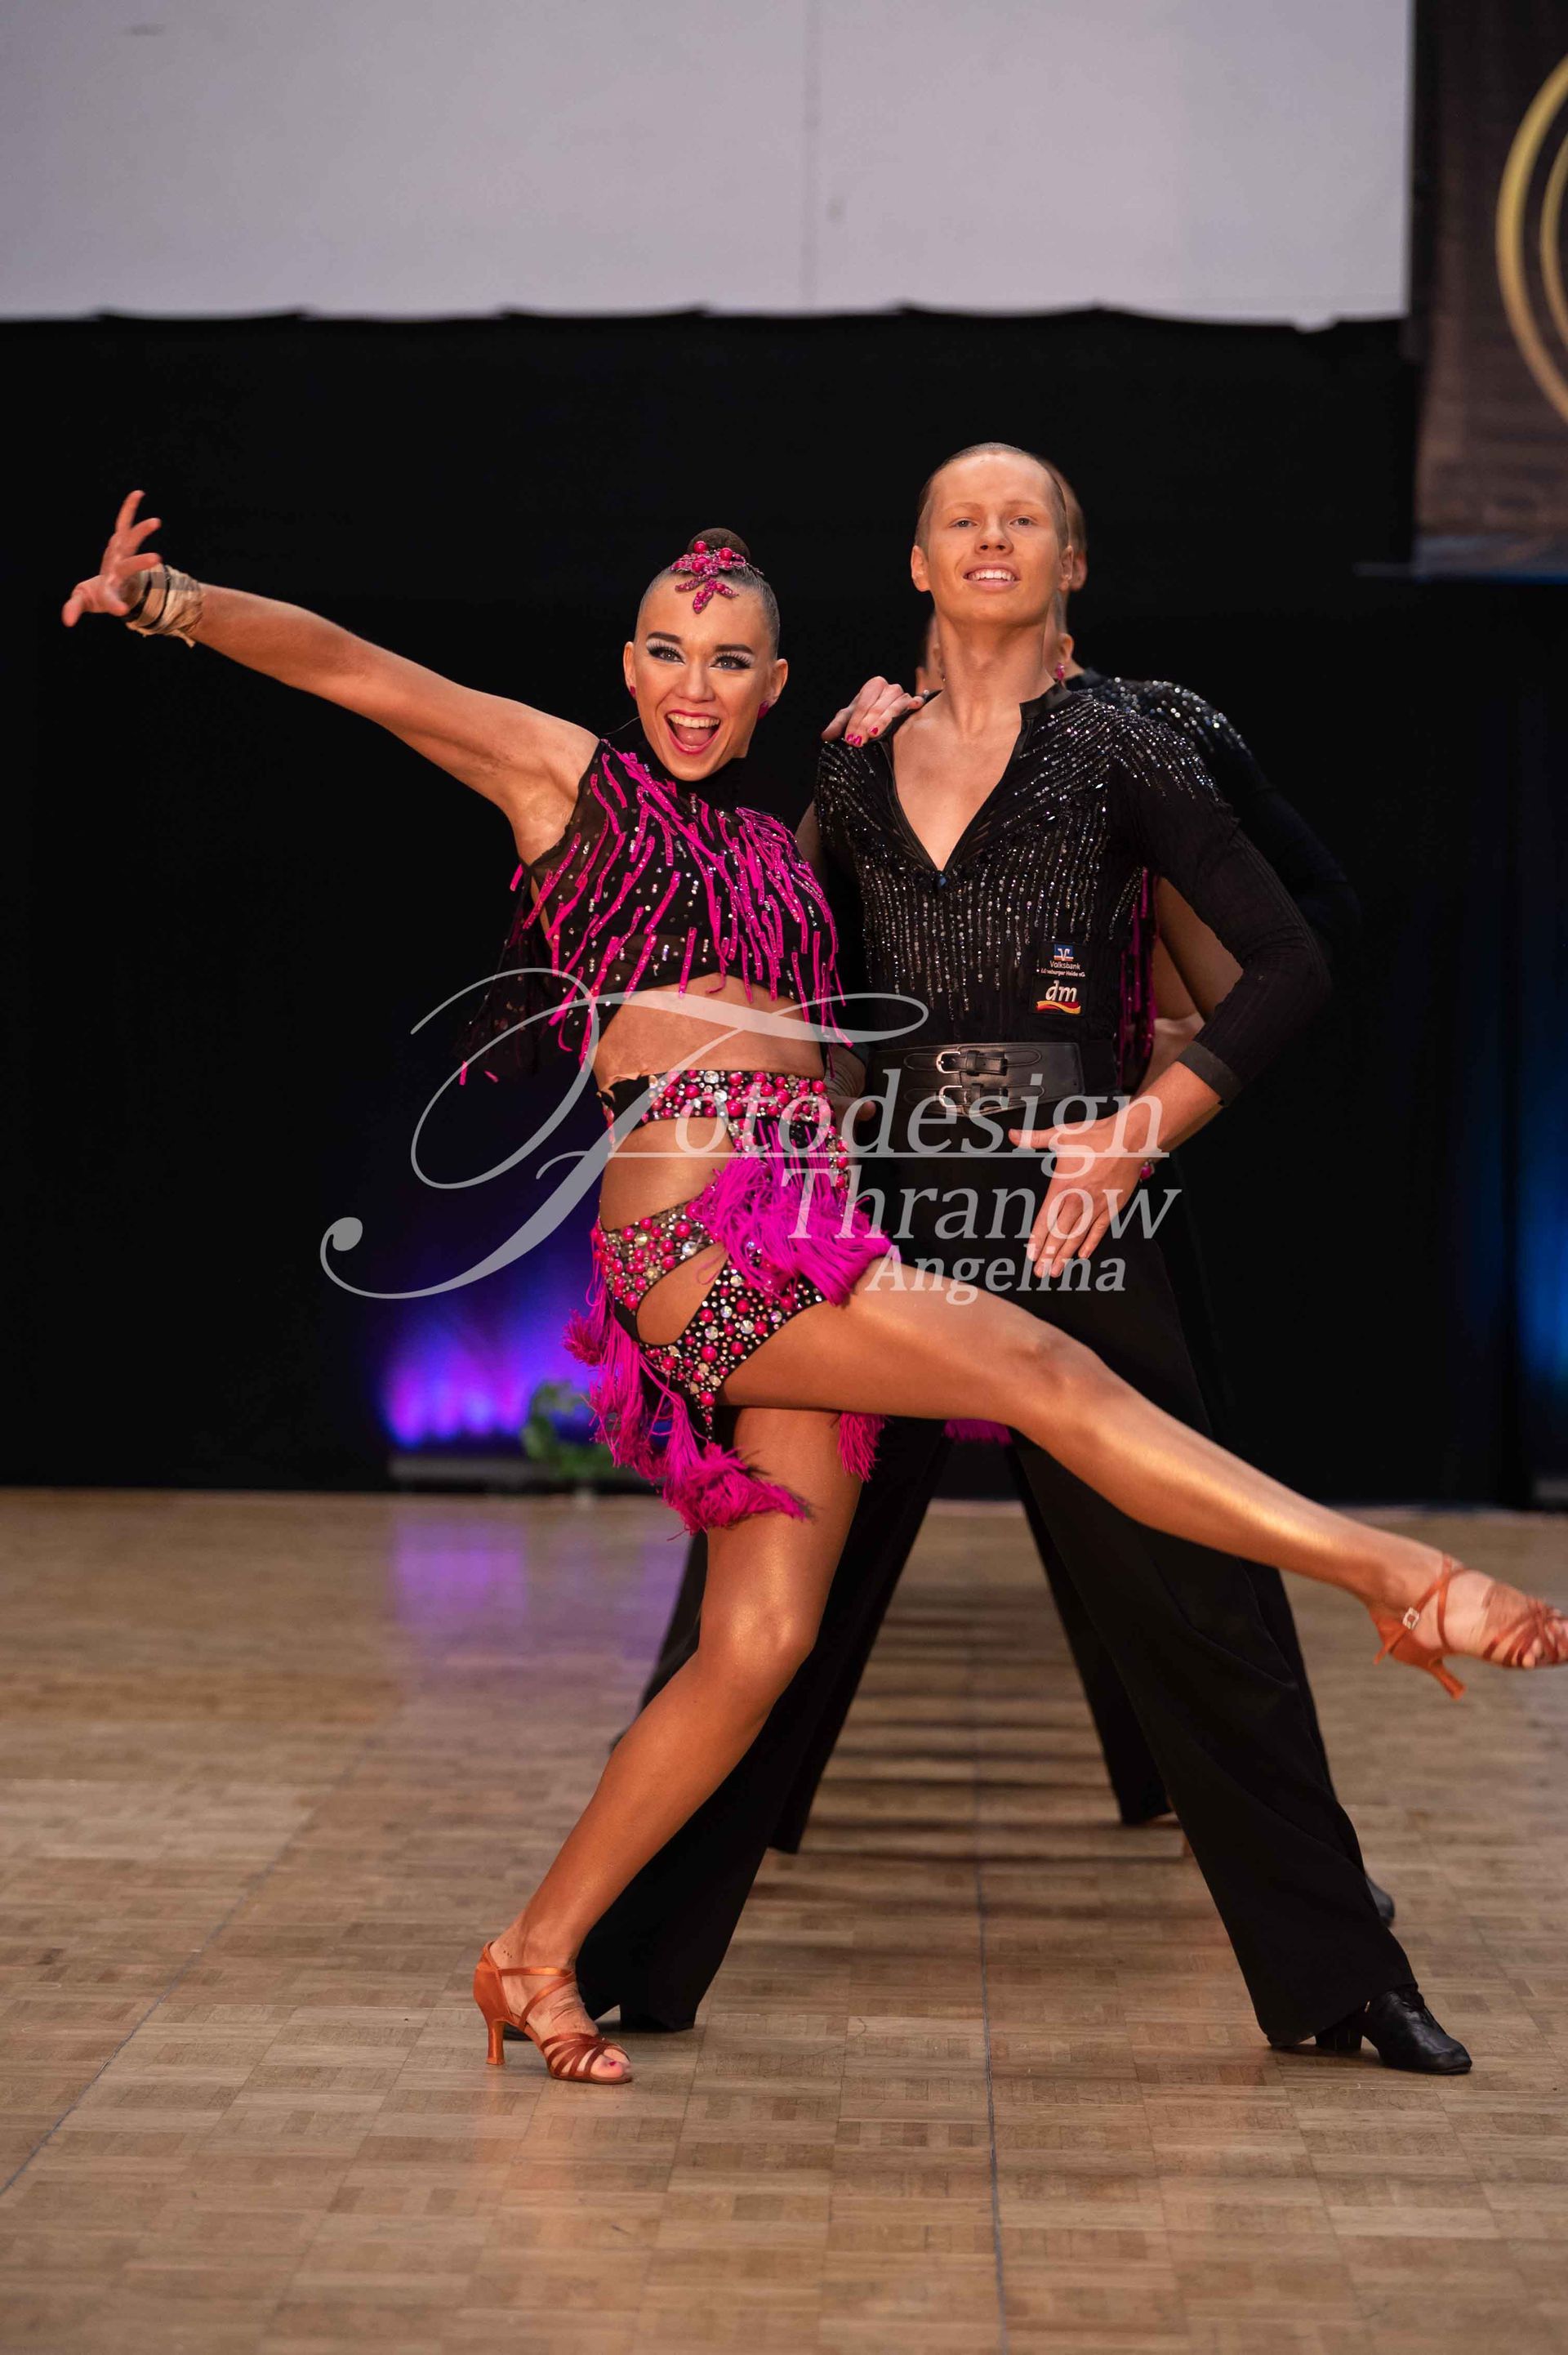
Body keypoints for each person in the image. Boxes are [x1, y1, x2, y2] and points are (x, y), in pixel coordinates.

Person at [62, 488, 1566, 2090]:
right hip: (698, 1254)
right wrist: (175, 602)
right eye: (666, 651)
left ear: (775, 684)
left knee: (759, 1643)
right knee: (1046, 1377)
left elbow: (878, 1019)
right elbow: (361, 670)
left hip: (815, 1243)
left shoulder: (781, 855)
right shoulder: (572, 785)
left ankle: (532, 1951)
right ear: (628, 664)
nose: (692, 685)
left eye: (729, 660)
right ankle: (1396, 1574)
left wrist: (938, 785)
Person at [634, 467, 1383, 1898]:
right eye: (962, 523)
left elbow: (1301, 935)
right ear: (919, 567)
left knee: (1181, 1554)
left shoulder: (1145, 735)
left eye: (1023, 523)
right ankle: (653, 1900)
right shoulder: (866, 757)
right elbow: (814, 974)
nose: (992, 542)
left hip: (1084, 1171)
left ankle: (1306, 1909)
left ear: (1071, 569)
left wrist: (1155, 1093)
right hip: (897, 1189)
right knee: (785, 1539)